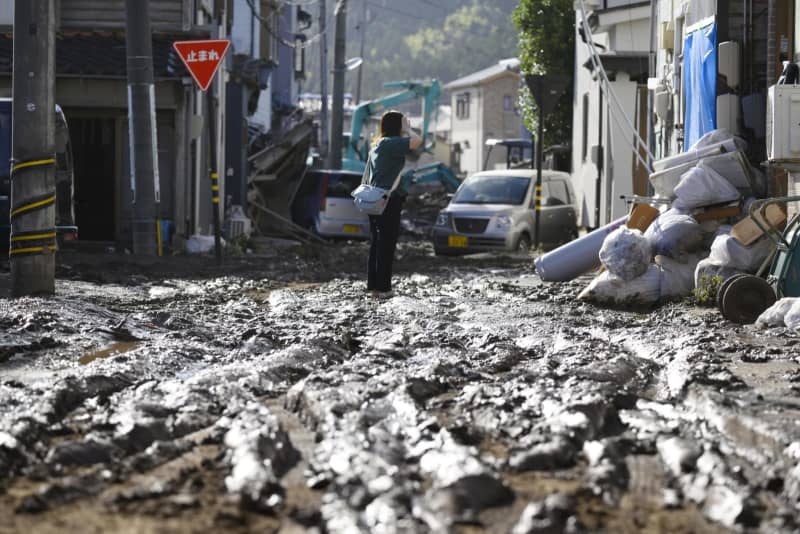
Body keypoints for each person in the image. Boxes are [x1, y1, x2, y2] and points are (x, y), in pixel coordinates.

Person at [365, 111, 423, 296]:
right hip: (388, 199)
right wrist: (408, 129)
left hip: (374, 198)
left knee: (377, 243)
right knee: (387, 244)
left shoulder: (377, 144)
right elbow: (417, 141)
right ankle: (383, 288)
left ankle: (374, 286)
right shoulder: (390, 143)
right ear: (397, 125)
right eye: (402, 122)